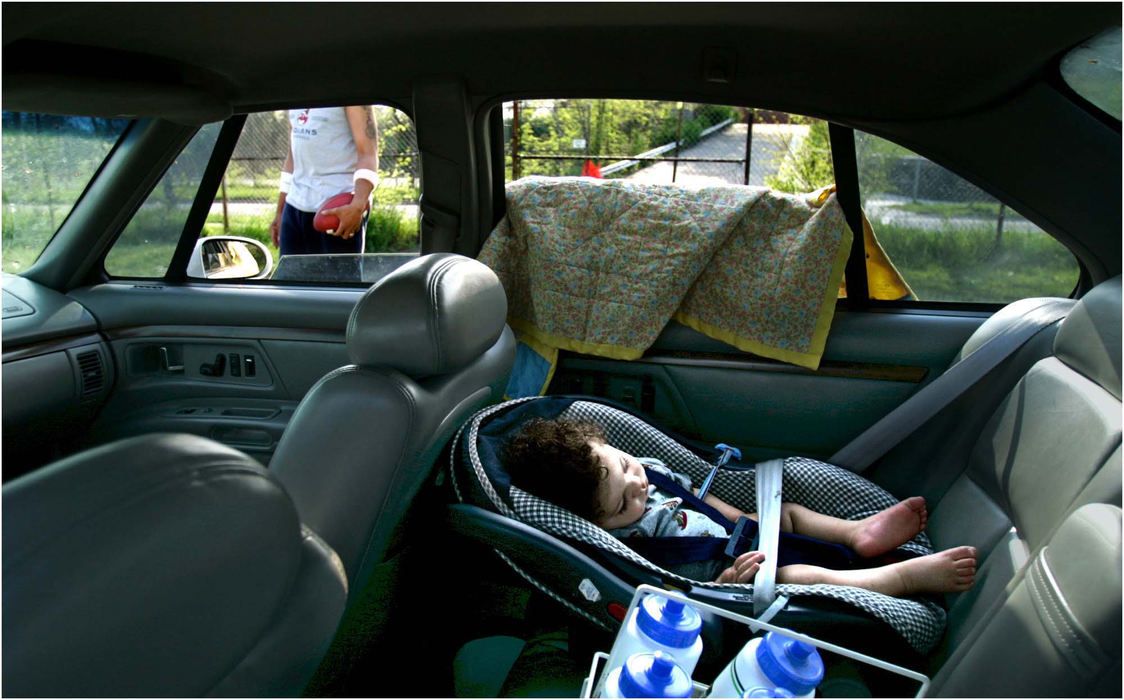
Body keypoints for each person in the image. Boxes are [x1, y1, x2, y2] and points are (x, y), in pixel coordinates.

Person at [504, 417, 977, 597]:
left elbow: (699, 501)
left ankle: (857, 533)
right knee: (795, 576)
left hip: (746, 530)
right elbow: (672, 583)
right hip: (739, 570)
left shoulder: (643, 470)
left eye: (628, 467)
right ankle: (901, 577)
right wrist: (726, 581)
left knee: (789, 510)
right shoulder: (626, 541)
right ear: (597, 522)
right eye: (623, 502)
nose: (638, 487)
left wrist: (740, 518)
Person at [271, 106, 379, 256]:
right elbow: (293, 155)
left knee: (338, 279)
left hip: (337, 211)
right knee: (289, 278)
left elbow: (368, 154)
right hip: (294, 208)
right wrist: (280, 211)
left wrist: (358, 205)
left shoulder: (353, 89)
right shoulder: (293, 91)